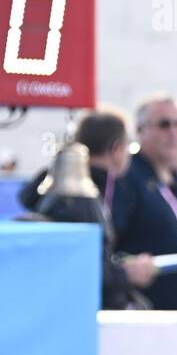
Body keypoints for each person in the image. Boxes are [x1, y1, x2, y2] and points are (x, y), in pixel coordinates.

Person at [19, 108, 157, 309]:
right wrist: (126, 274)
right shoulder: (81, 196)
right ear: (117, 149)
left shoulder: (54, 188)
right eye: (129, 146)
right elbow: (78, 265)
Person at [110, 95, 177, 310]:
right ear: (140, 131)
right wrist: (126, 269)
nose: (174, 133)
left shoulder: (176, 181)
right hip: (148, 317)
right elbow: (106, 249)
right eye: (164, 124)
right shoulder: (126, 177)